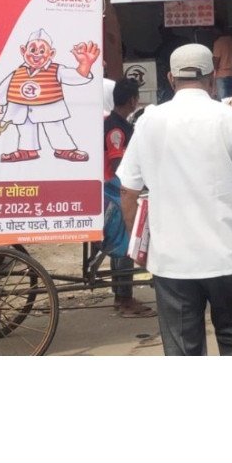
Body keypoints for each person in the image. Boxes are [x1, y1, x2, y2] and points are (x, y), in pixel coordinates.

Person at [119, 44, 232, 356]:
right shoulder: (230, 119)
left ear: (171, 78)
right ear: (212, 78)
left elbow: (127, 192)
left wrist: (140, 246)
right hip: (228, 260)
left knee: (183, 349)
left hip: (172, 263)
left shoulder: (148, 121)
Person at [0, 28, 100, 162]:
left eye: (42, 51)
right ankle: (27, 150)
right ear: (23, 51)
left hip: (49, 107)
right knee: (25, 128)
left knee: (55, 128)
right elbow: (5, 87)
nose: (37, 54)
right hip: (22, 108)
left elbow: (76, 77)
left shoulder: (56, 70)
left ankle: (64, 149)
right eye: (32, 50)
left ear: (51, 54)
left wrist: (85, 64)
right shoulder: (18, 72)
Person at [104, 78, 156, 318]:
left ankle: (122, 295)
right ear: (133, 100)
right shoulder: (116, 128)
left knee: (124, 240)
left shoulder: (118, 123)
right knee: (127, 239)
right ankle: (124, 299)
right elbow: (118, 165)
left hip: (114, 187)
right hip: (113, 189)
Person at [212, 27, 232, 99]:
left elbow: (215, 63)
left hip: (221, 77)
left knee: (223, 102)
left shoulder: (218, 43)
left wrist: (212, 80)